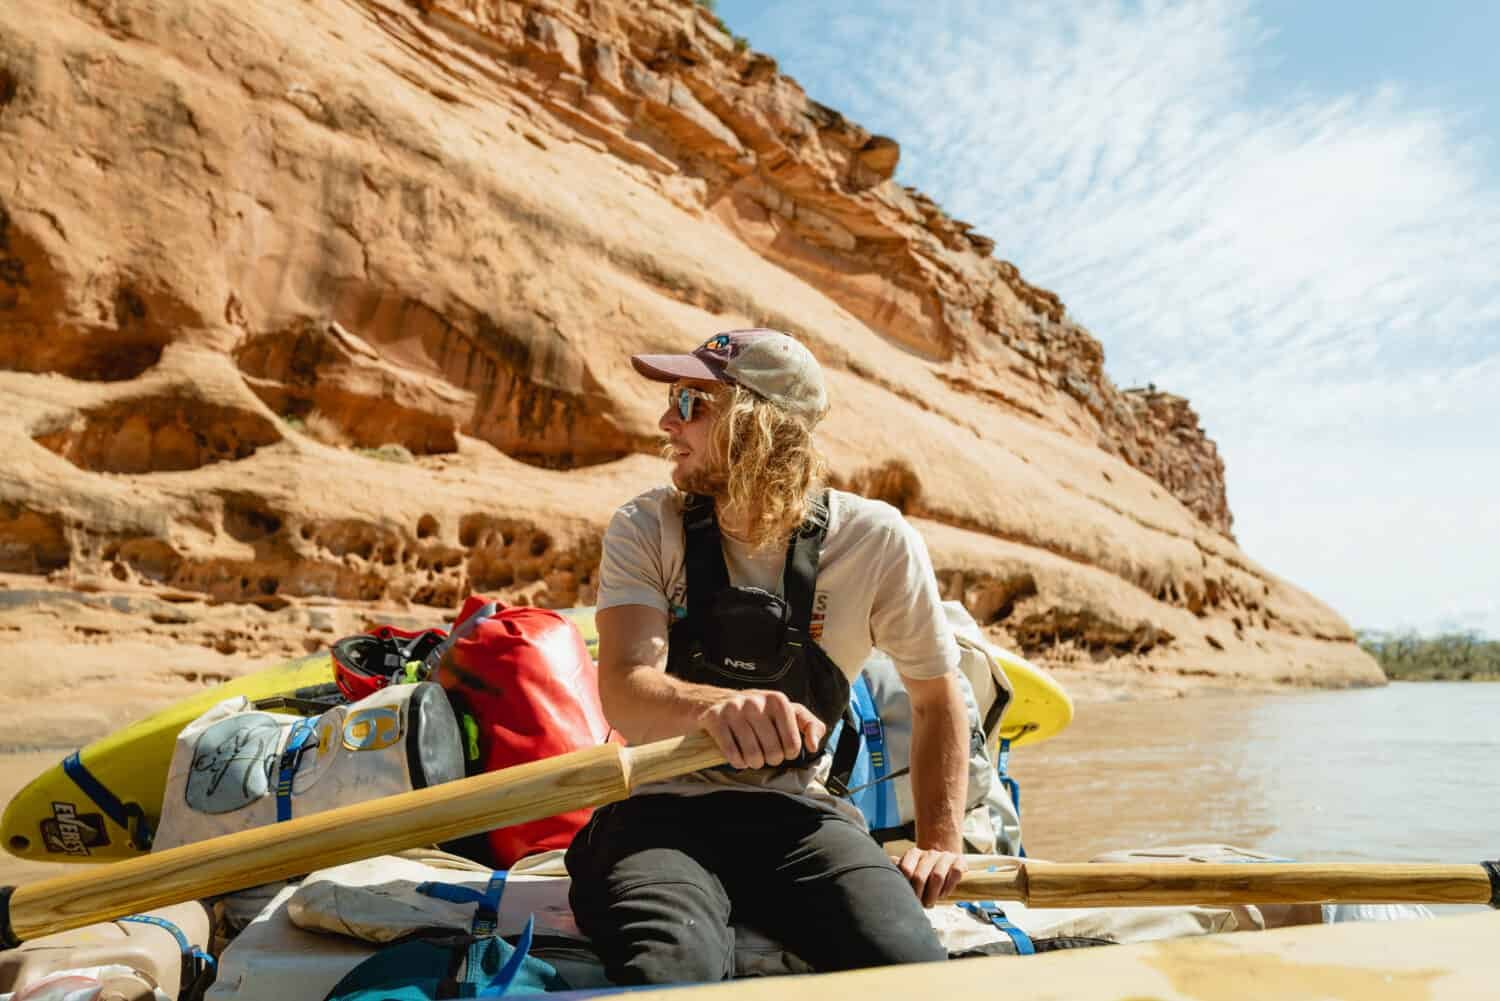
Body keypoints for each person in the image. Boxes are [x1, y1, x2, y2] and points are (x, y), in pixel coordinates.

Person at [566, 328, 970, 984]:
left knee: (912, 972)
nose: (667, 420)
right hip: (658, 814)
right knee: (673, 966)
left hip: (798, 817)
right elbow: (624, 685)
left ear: (758, 426)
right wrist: (720, 708)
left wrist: (939, 844)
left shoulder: (877, 542)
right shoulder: (644, 526)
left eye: (691, 402)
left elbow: (936, 694)